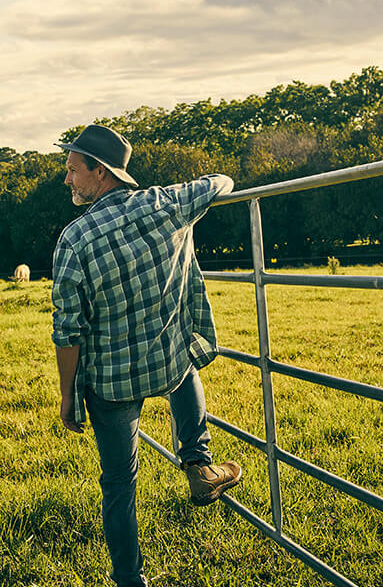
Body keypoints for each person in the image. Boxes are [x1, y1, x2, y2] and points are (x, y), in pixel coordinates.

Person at [51, 124, 242, 587]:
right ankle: (198, 464)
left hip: (112, 385)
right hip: (167, 364)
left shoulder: (74, 240)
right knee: (185, 367)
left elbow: (67, 331)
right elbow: (222, 182)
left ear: (101, 172)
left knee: (118, 484)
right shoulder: (168, 203)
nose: (67, 180)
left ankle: (129, 581)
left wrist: (67, 398)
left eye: (73, 170)